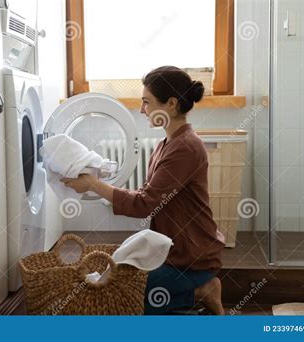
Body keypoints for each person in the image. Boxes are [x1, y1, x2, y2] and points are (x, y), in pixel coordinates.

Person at [62, 66, 225, 315]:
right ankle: (188, 292)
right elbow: (149, 195)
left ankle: (202, 290)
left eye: (146, 102)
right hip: (174, 249)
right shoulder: (167, 144)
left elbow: (144, 204)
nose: (141, 109)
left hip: (192, 258)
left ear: (171, 103)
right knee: (119, 289)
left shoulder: (185, 148)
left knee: (127, 299)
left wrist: (94, 184)